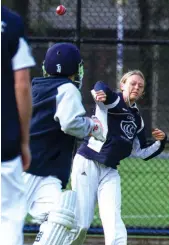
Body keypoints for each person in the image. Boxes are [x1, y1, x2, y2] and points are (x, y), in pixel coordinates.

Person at [70, 70, 167, 245]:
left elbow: (141, 151)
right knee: (81, 225)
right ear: (122, 85)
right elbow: (100, 86)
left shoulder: (138, 119)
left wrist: (161, 142)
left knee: (115, 226)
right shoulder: (113, 100)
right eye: (132, 83)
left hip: (110, 171)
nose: (136, 87)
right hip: (88, 163)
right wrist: (98, 92)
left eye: (140, 86)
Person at [22, 42, 105, 245]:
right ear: (76, 70)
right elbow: (70, 123)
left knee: (67, 217)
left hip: (43, 172)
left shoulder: (35, 87)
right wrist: (93, 126)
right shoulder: (67, 89)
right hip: (31, 167)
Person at [1, 6, 36, 245]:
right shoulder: (10, 23)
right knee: (8, 219)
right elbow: (22, 84)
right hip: (4, 141)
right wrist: (24, 141)